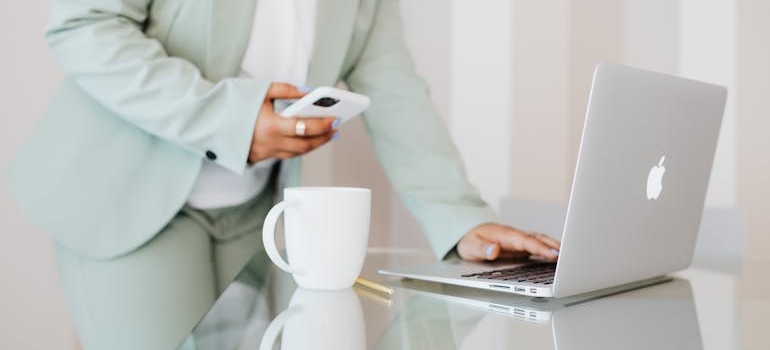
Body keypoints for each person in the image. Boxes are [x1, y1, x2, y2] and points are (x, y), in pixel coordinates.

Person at [6, 0, 561, 349]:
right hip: (124, 201)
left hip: (260, 214)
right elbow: (84, 24)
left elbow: (390, 82)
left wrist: (461, 217)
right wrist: (232, 118)